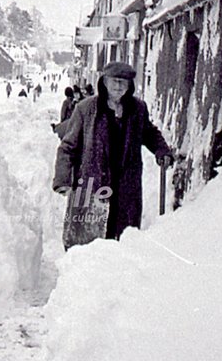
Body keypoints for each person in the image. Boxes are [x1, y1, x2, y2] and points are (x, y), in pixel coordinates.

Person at [52, 61, 173, 249]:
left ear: (129, 85)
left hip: (126, 188)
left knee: (123, 243)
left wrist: (161, 150)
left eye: (123, 82)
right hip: (92, 186)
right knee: (88, 244)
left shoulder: (137, 109)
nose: (118, 86)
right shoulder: (86, 109)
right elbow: (68, 147)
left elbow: (149, 133)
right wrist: (62, 180)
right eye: (114, 81)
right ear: (104, 82)